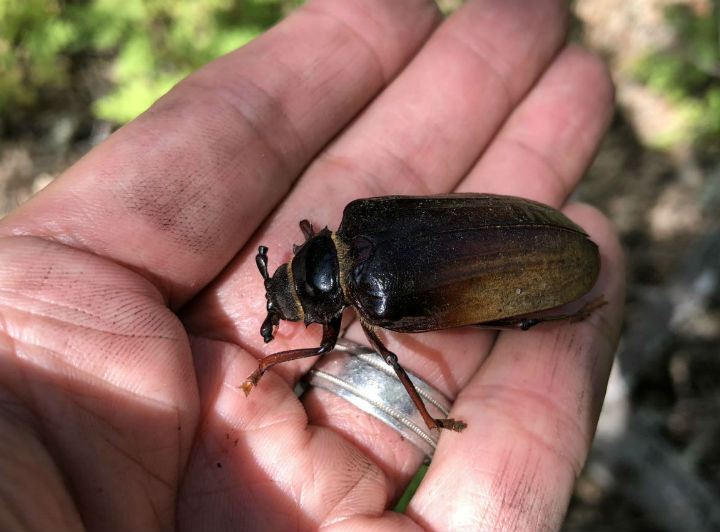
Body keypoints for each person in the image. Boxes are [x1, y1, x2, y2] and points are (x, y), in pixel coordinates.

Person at [0, 0, 623, 529]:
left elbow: (326, 350)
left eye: (289, 293)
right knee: (487, 326)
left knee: (504, 326)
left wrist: (271, 359)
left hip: (534, 247)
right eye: (289, 290)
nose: (287, 300)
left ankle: (560, 323)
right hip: (515, 225)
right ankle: (570, 316)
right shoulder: (362, 218)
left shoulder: (375, 299)